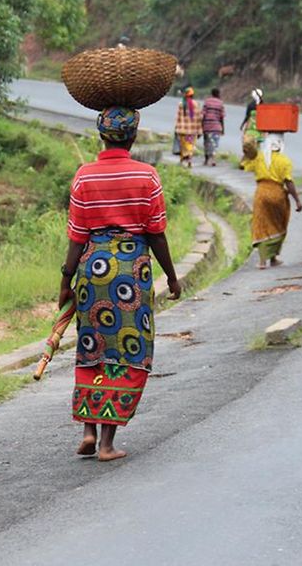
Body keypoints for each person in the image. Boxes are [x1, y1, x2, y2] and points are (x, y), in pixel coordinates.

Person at [59, 106, 182, 462]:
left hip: (92, 269)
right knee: (125, 351)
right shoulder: (147, 176)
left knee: (91, 348)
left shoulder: (84, 177)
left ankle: (87, 429)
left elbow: (76, 235)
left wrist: (66, 280)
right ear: (133, 137)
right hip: (131, 271)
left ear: (101, 136)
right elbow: (156, 233)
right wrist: (171, 276)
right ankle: (107, 444)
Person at [240, 133, 302, 269]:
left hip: (261, 193)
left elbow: (242, 165)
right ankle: (274, 258)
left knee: (262, 225)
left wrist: (246, 151)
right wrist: (297, 200)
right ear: (280, 146)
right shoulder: (284, 161)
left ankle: (263, 261)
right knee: (278, 225)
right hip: (277, 195)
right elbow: (288, 182)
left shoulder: (259, 158)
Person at [174, 87, 202, 168]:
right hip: (193, 131)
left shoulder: (181, 104)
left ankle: (182, 160)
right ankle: (189, 158)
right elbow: (199, 119)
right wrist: (200, 131)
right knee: (190, 145)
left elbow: (178, 117)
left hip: (182, 130)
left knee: (183, 146)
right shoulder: (196, 104)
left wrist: (176, 128)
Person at [201, 88, 225, 166]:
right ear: (218, 94)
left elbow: (203, 115)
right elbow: (221, 117)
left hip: (207, 126)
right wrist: (223, 129)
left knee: (207, 143)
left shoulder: (207, 102)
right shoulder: (221, 103)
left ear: (212, 93)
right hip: (216, 127)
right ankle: (213, 159)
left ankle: (206, 159)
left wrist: (202, 126)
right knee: (215, 144)